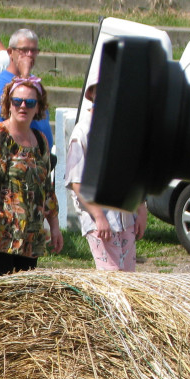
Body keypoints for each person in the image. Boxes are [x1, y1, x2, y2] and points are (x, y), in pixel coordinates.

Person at [0, 76, 63, 280]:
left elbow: (46, 188)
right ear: (8, 104)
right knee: (0, 298)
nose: (23, 106)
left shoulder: (40, 141)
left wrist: (54, 225)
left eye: (30, 102)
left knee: (21, 301)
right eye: (17, 101)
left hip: (28, 236)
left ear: (38, 108)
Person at [65, 78, 146, 272]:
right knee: (111, 276)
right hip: (99, 218)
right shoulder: (82, 132)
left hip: (126, 215)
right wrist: (99, 216)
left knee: (128, 277)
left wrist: (142, 209)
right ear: (93, 94)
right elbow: (77, 182)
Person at [0, 29, 53, 152]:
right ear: (10, 52)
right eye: (23, 50)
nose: (29, 55)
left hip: (39, 156)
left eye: (33, 51)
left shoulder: (34, 82)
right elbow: (13, 114)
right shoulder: (0, 83)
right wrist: (25, 74)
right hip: (15, 153)